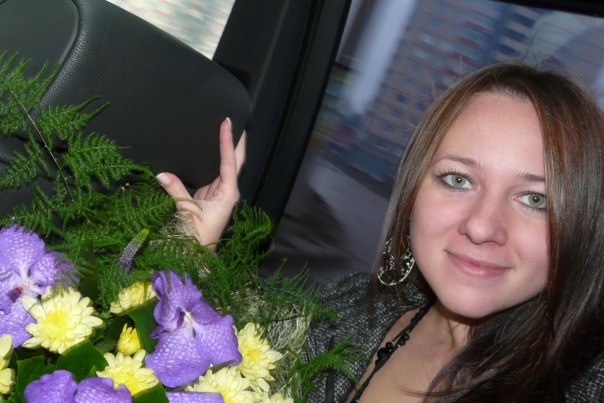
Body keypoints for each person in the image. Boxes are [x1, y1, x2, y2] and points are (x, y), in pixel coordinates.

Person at [159, 62, 604, 402]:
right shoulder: (359, 308)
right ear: (413, 190)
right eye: (458, 179)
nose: (481, 226)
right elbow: (237, 356)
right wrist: (194, 252)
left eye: (535, 200)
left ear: (582, 223)